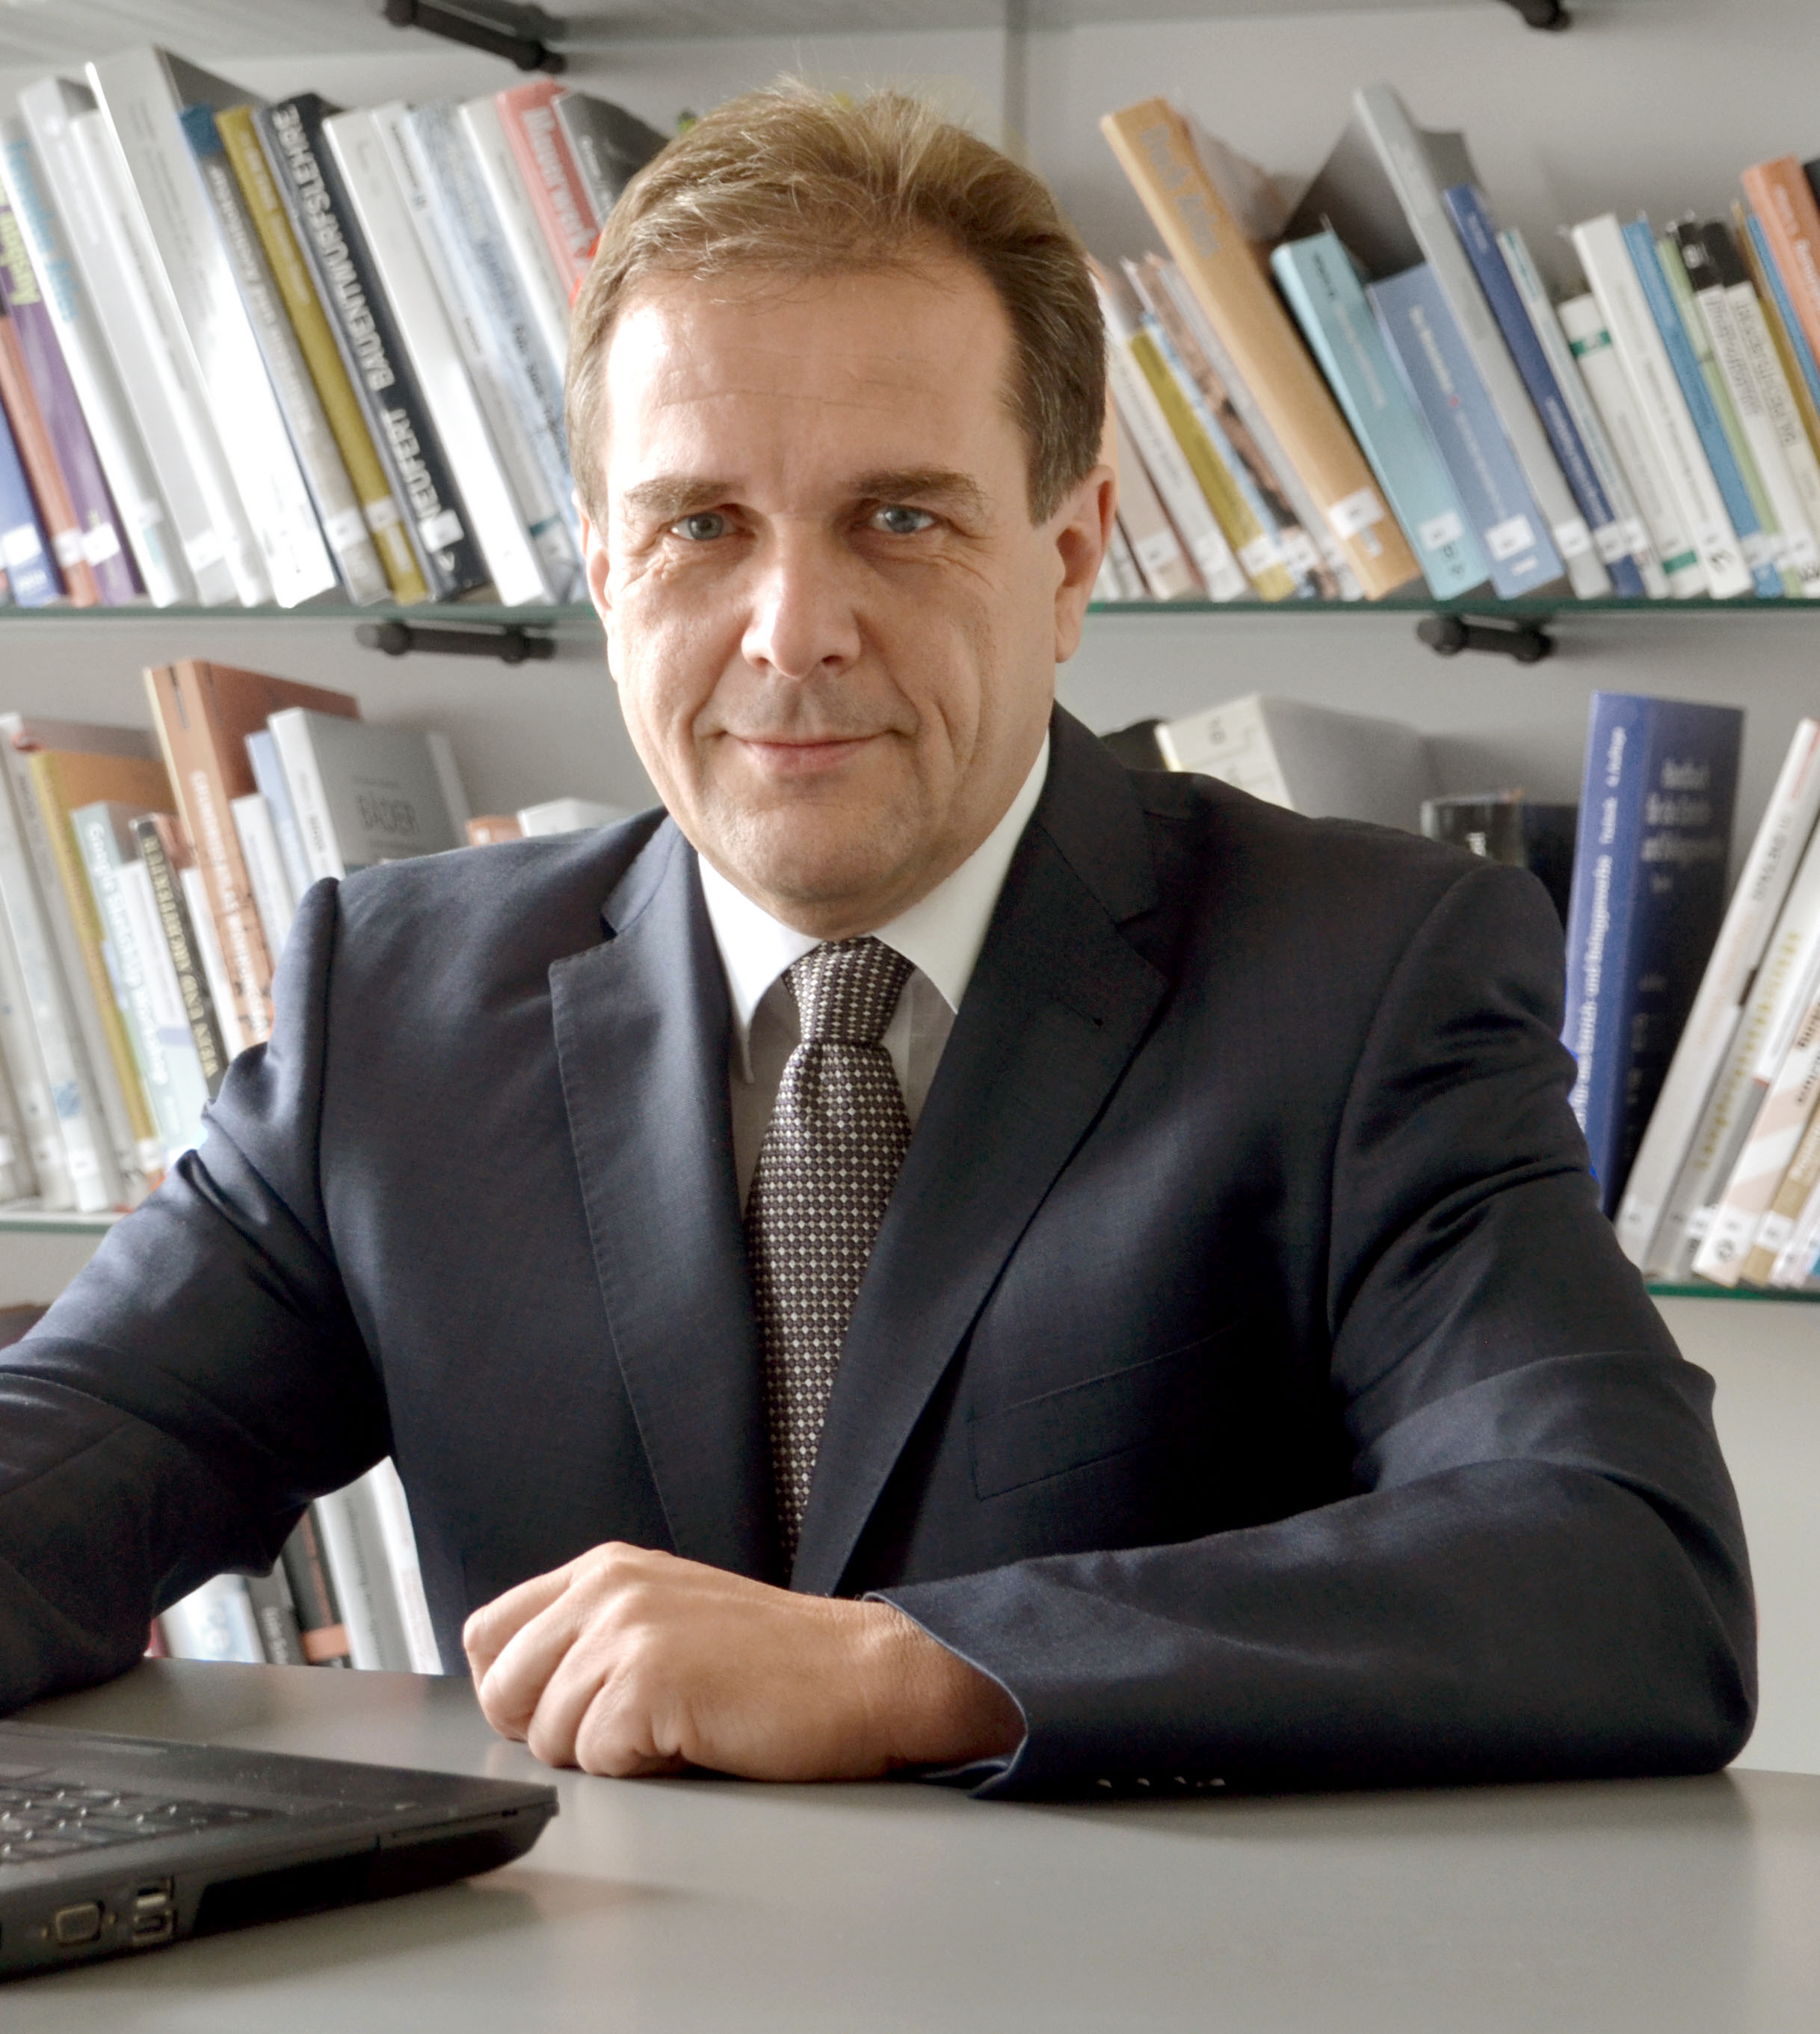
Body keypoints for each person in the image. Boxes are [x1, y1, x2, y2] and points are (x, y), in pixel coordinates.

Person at [0, 86, 1752, 1797]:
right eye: (701, 527)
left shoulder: (1369, 974)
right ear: (603, 571)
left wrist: (902, 1669)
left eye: (900, 520)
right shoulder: (393, 1003)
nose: (794, 630)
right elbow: (86, 1457)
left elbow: (1620, 1563)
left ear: (1070, 557)